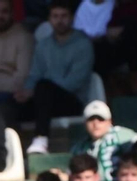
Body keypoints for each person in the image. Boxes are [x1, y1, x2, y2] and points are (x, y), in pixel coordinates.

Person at [17, 1, 93, 157]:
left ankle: (41, 139)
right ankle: (13, 151)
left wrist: (40, 89)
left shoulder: (83, 44)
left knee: (44, 87)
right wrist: (27, 92)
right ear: (49, 19)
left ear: (72, 18)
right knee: (11, 104)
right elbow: (34, 74)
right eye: (55, 16)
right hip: (44, 99)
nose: (60, 20)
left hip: (72, 101)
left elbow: (75, 81)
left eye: (64, 16)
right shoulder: (43, 45)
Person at [69, 101, 137, 181]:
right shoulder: (79, 148)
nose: (96, 124)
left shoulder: (124, 136)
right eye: (91, 119)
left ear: (109, 121)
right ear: (85, 123)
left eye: (100, 119)